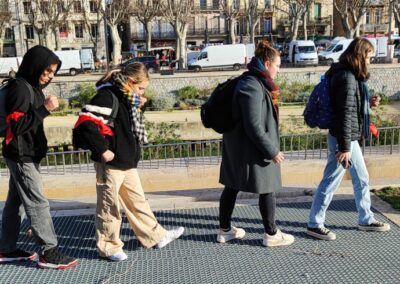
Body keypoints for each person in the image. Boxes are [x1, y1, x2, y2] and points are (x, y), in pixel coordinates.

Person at [73, 62, 184, 261]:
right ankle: (109, 247)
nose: (143, 93)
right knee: (109, 206)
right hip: (111, 162)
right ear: (131, 82)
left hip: (126, 160)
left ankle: (155, 235)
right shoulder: (107, 96)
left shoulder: (126, 96)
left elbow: (125, 124)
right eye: (141, 88)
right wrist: (103, 150)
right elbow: (85, 124)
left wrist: (138, 103)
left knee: (137, 201)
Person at [0, 45, 78, 269]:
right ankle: (48, 252)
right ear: (34, 67)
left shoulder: (31, 88)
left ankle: (6, 248)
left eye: (52, 72)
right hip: (21, 155)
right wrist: (44, 109)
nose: (49, 76)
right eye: (46, 71)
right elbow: (18, 126)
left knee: (15, 204)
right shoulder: (21, 89)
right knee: (38, 204)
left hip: (25, 154)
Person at [306, 37, 390, 241]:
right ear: (360, 56)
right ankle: (314, 224)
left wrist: (367, 104)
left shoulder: (349, 76)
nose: (370, 61)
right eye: (369, 56)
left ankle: (366, 218)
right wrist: (344, 148)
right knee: (331, 181)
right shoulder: (346, 78)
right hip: (343, 139)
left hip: (348, 138)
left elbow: (351, 107)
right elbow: (343, 113)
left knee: (362, 178)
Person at [217, 40, 295, 247]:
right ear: (268, 63)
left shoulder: (253, 82)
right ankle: (271, 234)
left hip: (241, 146)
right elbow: (253, 124)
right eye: (278, 65)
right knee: (268, 187)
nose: (279, 69)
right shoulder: (252, 85)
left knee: (232, 186)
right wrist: (272, 150)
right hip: (252, 147)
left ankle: (225, 230)